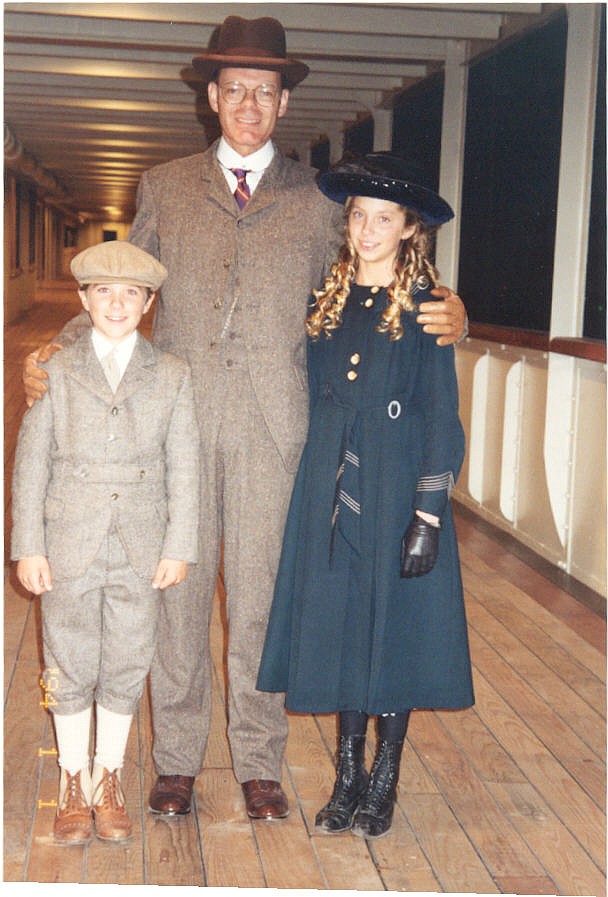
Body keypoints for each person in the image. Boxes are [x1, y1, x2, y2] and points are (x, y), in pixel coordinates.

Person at [21, 15, 467, 821]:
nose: (250, 103)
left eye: (266, 90)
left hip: (280, 432)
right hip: (177, 431)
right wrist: (56, 349)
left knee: (262, 597)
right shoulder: (163, 185)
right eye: (236, 90)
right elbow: (123, 289)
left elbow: (374, 271)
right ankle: (176, 761)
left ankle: (259, 761)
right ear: (212, 97)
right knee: (178, 597)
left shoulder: (317, 198)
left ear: (285, 100)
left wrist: (451, 309)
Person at [257, 153, 474, 840]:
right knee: (346, 625)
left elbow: (442, 412)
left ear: (410, 228)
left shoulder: (430, 306)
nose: (368, 228)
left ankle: (385, 775)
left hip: (396, 487)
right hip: (332, 487)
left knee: (394, 630)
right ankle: (347, 772)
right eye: (358, 215)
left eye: (384, 218)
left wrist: (428, 512)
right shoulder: (331, 296)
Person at [11, 241, 200, 845]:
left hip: (142, 545)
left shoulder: (171, 374)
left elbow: (185, 466)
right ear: (83, 300)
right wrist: (28, 545)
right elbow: (31, 465)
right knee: (68, 661)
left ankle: (108, 778)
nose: (117, 303)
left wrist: (180, 544)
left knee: (127, 659)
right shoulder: (55, 369)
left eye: (131, 294)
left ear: (148, 304)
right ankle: (71, 780)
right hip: (68, 540)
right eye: (104, 292)